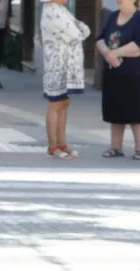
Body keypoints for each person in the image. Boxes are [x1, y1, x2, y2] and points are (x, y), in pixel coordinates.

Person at [96, 0, 140, 160]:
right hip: (114, 74)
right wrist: (108, 54)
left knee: (138, 111)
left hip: (137, 75)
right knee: (115, 110)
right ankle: (115, 148)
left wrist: (115, 53)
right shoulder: (112, 16)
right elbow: (100, 39)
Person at [39, 0, 89, 159]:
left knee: (64, 102)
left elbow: (81, 30)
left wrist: (80, 27)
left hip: (66, 65)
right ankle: (52, 146)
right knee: (55, 103)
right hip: (57, 64)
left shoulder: (61, 9)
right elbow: (77, 33)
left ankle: (62, 143)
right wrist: (81, 27)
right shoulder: (51, 11)